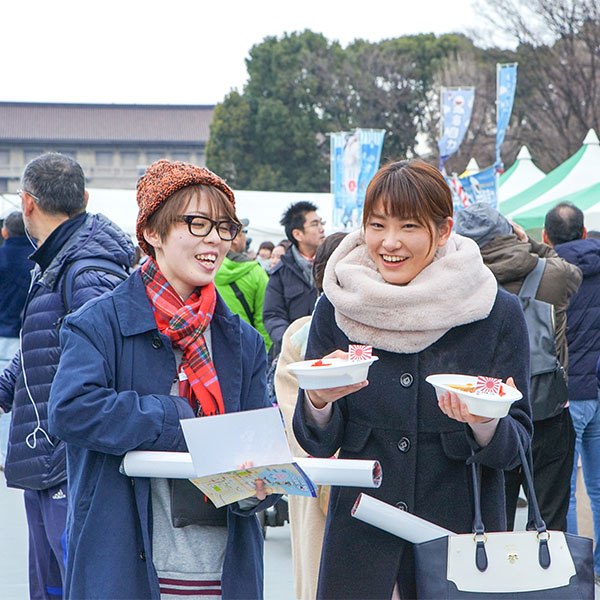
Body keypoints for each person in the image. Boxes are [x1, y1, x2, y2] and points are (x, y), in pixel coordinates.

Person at [292, 160, 532, 600]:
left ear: (443, 231)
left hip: (460, 538)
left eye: (408, 226)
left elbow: (517, 446)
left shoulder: (495, 312)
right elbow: (316, 441)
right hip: (361, 539)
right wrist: (319, 402)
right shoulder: (339, 304)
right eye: (377, 225)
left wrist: (485, 422)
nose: (390, 242)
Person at [48, 160, 279, 600]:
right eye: (198, 223)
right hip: (125, 567)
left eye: (224, 227)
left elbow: (257, 442)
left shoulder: (240, 339)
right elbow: (70, 410)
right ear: (152, 232)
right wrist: (174, 417)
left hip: (222, 572)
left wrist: (259, 488)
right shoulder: (99, 322)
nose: (215, 239)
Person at [0, 152, 134, 600]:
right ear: (85, 198)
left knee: (75, 583)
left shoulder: (86, 268)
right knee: (53, 587)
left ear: (27, 203)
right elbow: (43, 345)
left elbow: (108, 368)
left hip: (67, 459)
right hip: (49, 454)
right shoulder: (59, 261)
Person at [455, 202, 582, 531]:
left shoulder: (461, 282)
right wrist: (529, 242)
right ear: (508, 232)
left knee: (491, 517)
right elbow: (571, 270)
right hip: (548, 410)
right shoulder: (550, 275)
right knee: (548, 521)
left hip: (484, 415)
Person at [275, 232, 347, 600]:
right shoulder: (301, 334)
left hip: (363, 485)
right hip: (316, 479)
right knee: (320, 579)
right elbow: (295, 420)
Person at [542, 202, 600, 580]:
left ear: (546, 236)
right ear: (583, 232)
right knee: (598, 486)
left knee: (565, 487)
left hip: (567, 392)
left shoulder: (548, 274)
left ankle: (577, 570)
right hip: (597, 387)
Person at [263, 202, 325, 355]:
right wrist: (292, 342)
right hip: (294, 354)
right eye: (314, 224)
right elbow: (273, 316)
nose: (321, 229)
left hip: (328, 351)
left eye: (321, 223)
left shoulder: (332, 263)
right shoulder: (281, 272)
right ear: (298, 234)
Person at [0, 211, 34, 469]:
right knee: (18, 396)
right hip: (24, 337)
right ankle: (7, 453)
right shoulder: (38, 260)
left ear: (4, 232)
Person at [215, 217, 272, 352]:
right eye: (244, 232)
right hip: (246, 348)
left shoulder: (206, 269)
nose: (246, 237)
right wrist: (264, 353)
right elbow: (264, 318)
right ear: (234, 238)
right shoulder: (256, 272)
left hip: (211, 348)